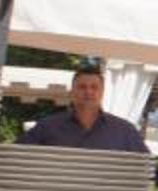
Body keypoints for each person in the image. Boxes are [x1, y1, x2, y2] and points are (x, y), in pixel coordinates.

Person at [16, 65, 148, 152]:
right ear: (72, 92)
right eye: (82, 87)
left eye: (94, 87)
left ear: (102, 92)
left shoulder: (125, 131)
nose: (88, 92)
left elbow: (145, 167)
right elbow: (16, 154)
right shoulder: (47, 127)